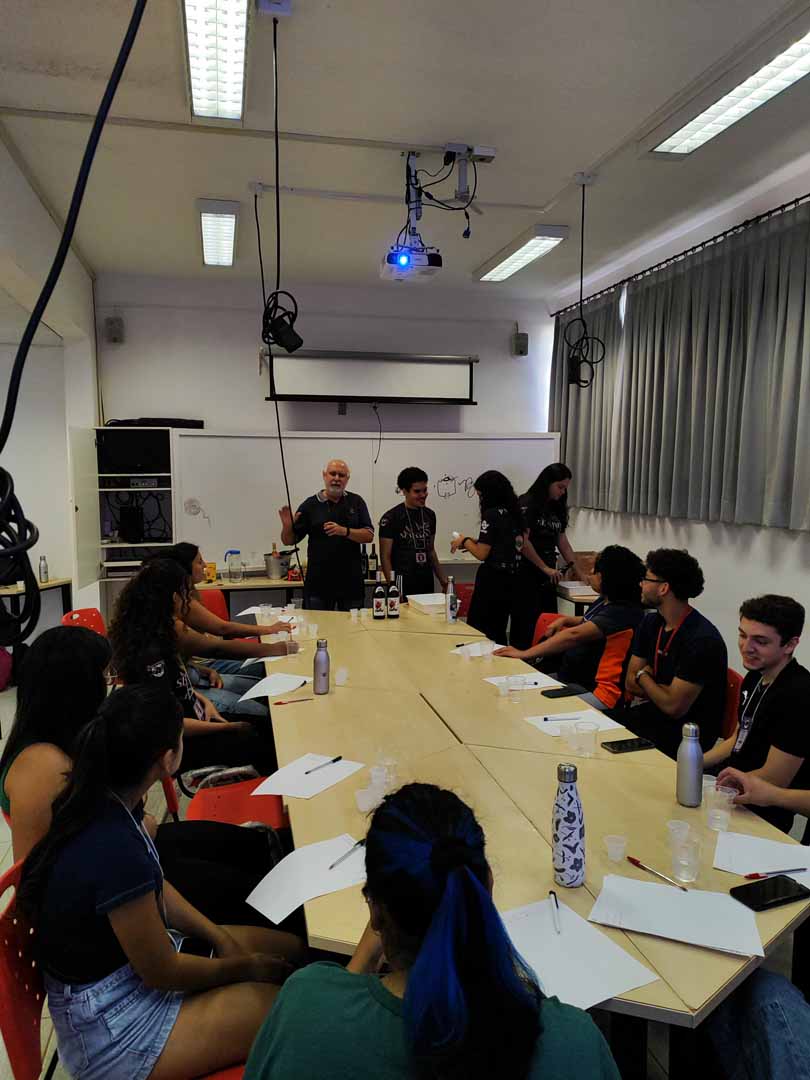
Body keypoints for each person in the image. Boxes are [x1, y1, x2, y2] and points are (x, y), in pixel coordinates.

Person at [18, 685, 304, 1080]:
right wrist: (241, 968)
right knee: (288, 1008)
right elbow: (162, 971)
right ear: (167, 759)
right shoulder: (114, 847)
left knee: (294, 950)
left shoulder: (108, 796)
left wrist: (219, 937)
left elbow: (155, 887)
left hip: (126, 977)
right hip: (113, 1028)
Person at [244, 782, 620, 1080]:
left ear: (376, 910)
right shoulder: (574, 1042)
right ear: (486, 887)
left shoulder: (303, 1007)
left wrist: (364, 955)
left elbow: (333, 1014)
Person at [0, 625, 291, 927]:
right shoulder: (41, 767)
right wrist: (136, 828)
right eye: (103, 677)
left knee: (243, 845)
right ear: (77, 689)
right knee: (244, 889)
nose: (110, 685)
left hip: (128, 852)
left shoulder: (76, 735)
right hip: (108, 888)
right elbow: (39, 881)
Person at [110, 560, 278, 775]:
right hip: (184, 743)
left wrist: (203, 700)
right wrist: (227, 727)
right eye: (186, 594)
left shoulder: (156, 632)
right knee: (269, 738)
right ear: (174, 598)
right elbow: (165, 723)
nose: (189, 600)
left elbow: (178, 686)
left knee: (267, 727)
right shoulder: (149, 654)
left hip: (197, 720)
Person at [146, 542, 297, 718]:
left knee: (263, 688)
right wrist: (274, 646)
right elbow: (218, 641)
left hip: (194, 674)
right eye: (199, 562)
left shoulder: (175, 602)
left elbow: (179, 663)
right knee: (262, 708)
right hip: (187, 689)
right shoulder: (171, 621)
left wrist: (201, 670)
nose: (205, 565)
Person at [702, 595, 809, 834]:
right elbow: (738, 736)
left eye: (760, 641)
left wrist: (716, 790)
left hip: (762, 812)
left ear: (790, 645)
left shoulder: (800, 695)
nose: (746, 647)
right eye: (742, 635)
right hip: (733, 789)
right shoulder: (755, 676)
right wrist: (695, 761)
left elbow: (775, 778)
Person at [494, 545, 645, 710]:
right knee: (512, 690)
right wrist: (566, 620)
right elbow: (590, 621)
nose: (591, 573)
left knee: (528, 704)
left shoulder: (623, 611)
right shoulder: (605, 601)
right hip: (573, 680)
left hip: (600, 694)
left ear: (607, 578)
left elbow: (574, 635)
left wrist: (525, 653)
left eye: (595, 571)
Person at [624, 549, 727, 758]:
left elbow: (673, 706)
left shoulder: (702, 639)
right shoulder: (650, 622)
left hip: (684, 736)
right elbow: (629, 683)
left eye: (646, 579)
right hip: (652, 717)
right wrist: (662, 690)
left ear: (663, 588)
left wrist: (644, 676)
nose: (641, 584)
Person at [279, 459, 374, 611]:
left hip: (351, 583)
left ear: (347, 479)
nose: (336, 478)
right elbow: (289, 540)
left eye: (341, 475)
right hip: (318, 584)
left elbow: (369, 535)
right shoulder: (310, 505)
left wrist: (344, 531)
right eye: (332, 474)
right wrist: (287, 527)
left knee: (353, 625)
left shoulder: (356, 502)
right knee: (317, 625)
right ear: (324, 475)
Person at [510, 463, 582, 650]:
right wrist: (544, 567)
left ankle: (544, 660)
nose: (562, 492)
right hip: (527, 573)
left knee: (547, 623)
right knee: (526, 626)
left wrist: (578, 570)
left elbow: (562, 541)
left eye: (565, 488)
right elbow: (521, 542)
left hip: (549, 575)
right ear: (547, 483)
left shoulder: (557, 506)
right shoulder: (527, 503)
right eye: (560, 487)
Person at [449, 470, 526, 644]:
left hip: (493, 580)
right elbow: (514, 543)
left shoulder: (491, 514)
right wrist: (477, 542)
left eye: (481, 496)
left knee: (481, 629)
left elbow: (481, 553)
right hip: (512, 579)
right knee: (499, 628)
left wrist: (464, 541)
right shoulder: (514, 512)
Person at [379, 466, 448, 600]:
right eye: (417, 491)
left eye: (425, 490)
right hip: (401, 580)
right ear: (404, 491)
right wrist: (392, 587)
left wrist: (443, 580)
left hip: (425, 578)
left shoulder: (430, 515)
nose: (423, 495)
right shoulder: (390, 518)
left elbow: (430, 550)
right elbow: (385, 556)